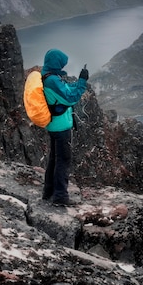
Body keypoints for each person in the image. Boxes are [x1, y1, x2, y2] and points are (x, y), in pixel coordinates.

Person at [41, 49, 88, 206]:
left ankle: (48, 192)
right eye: (62, 62)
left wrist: (79, 81)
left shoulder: (49, 76)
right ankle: (60, 197)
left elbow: (66, 90)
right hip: (61, 128)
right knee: (63, 160)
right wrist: (82, 83)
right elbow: (70, 98)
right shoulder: (53, 81)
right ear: (57, 63)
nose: (63, 65)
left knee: (54, 159)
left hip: (54, 125)